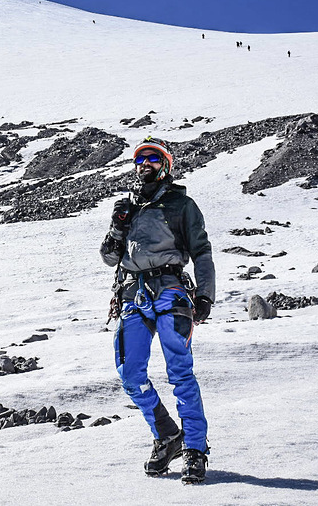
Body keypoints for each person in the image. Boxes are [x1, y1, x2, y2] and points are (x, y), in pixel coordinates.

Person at [100, 137, 216, 484]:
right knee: (129, 373)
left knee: (180, 373)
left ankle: (195, 450)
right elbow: (109, 258)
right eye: (140, 159)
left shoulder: (182, 205)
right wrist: (118, 227)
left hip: (170, 293)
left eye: (153, 158)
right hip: (133, 296)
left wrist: (206, 296)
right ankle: (167, 435)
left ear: (165, 165)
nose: (144, 164)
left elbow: (202, 252)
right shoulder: (127, 207)